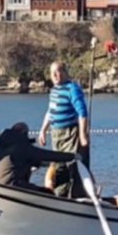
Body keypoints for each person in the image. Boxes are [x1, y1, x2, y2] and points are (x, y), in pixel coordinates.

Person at [38, 61, 89, 197]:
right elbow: (50, 111)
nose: (55, 75)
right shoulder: (54, 90)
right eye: (52, 72)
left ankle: (74, 195)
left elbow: (82, 112)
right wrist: (43, 130)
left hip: (70, 133)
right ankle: (58, 193)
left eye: (58, 71)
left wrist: (83, 135)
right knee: (58, 164)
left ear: (65, 73)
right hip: (56, 134)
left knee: (71, 165)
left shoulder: (72, 88)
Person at [0, 122, 76, 190]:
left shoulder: (3, 146)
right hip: (14, 187)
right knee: (47, 193)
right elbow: (45, 155)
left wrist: (34, 141)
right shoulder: (22, 147)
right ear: (24, 134)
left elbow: (25, 158)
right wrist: (72, 156)